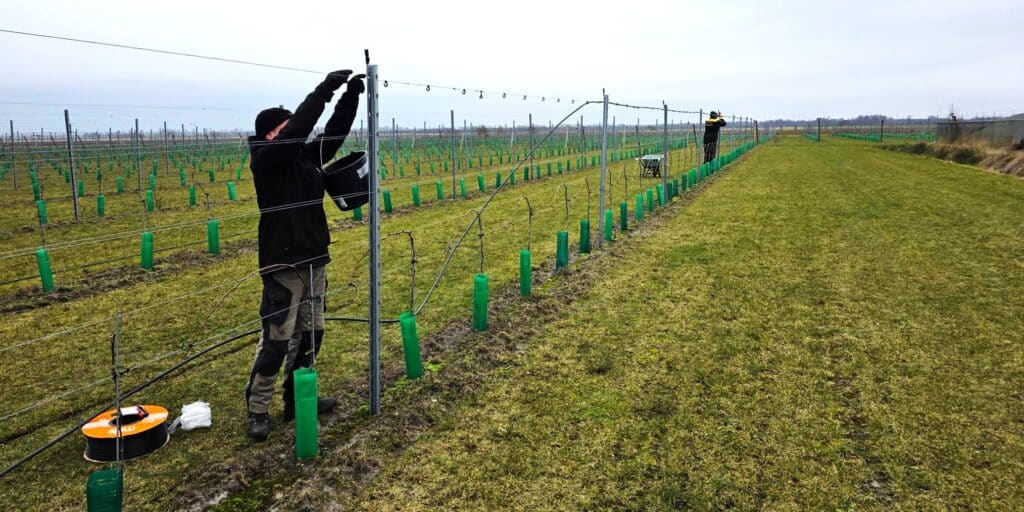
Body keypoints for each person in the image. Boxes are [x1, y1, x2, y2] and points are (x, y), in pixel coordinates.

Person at [244, 69, 365, 441]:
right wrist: (324, 89)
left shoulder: (306, 157)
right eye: (285, 127)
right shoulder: (267, 161)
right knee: (277, 340)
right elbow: (301, 125)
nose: (295, 130)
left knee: (312, 335)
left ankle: (298, 400)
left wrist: (350, 96)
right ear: (270, 134)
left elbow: (334, 132)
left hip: (315, 258)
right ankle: (257, 410)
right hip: (283, 264)